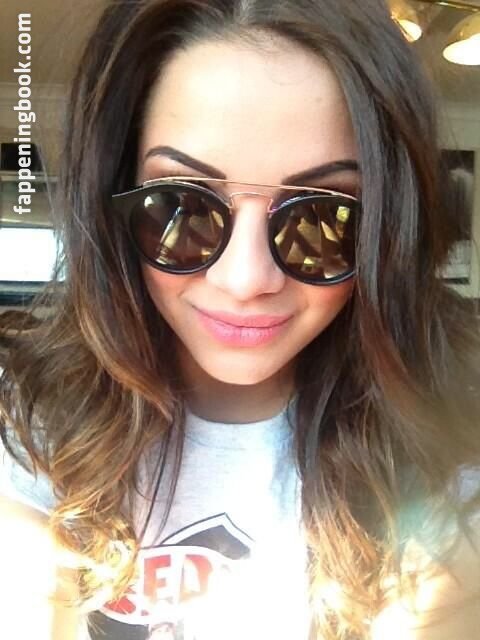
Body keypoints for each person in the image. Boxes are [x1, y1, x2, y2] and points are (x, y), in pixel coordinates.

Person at [1, 1, 480, 639]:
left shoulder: (444, 443)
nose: (246, 279)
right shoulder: (33, 419)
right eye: (179, 206)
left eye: (324, 219)